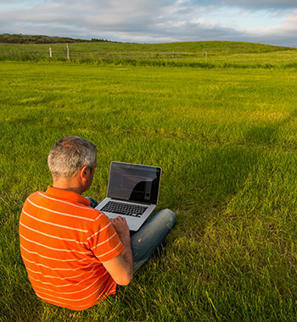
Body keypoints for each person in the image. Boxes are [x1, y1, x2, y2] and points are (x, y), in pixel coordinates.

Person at [19, 136, 176, 311]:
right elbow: (124, 278)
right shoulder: (94, 221)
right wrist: (123, 234)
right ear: (84, 173)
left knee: (90, 201)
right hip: (85, 298)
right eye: (94, 169)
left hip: (44, 291)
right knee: (166, 216)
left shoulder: (31, 201)